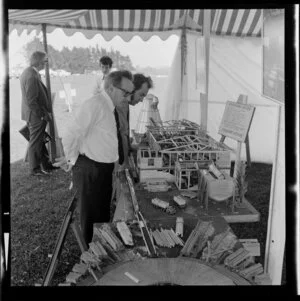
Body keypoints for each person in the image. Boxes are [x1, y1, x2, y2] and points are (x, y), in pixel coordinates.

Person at [53, 70, 134, 245]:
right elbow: (71, 133)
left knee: (101, 215)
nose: (128, 98)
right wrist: (69, 160)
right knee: (92, 218)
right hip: (91, 169)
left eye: (130, 94)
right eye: (125, 93)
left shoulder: (107, 106)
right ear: (111, 88)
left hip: (101, 169)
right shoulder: (95, 104)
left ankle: (99, 248)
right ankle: (92, 254)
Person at [20, 51, 54, 176]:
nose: (46, 63)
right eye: (45, 61)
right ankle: (35, 169)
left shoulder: (30, 72)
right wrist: (41, 114)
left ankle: (46, 164)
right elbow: (31, 100)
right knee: (35, 141)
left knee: (39, 140)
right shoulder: (31, 75)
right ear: (39, 61)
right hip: (35, 115)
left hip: (33, 114)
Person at [116, 73, 153, 169]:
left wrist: (130, 147)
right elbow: (122, 134)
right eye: (141, 95)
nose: (141, 100)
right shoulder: (121, 102)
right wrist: (126, 163)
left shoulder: (124, 101)